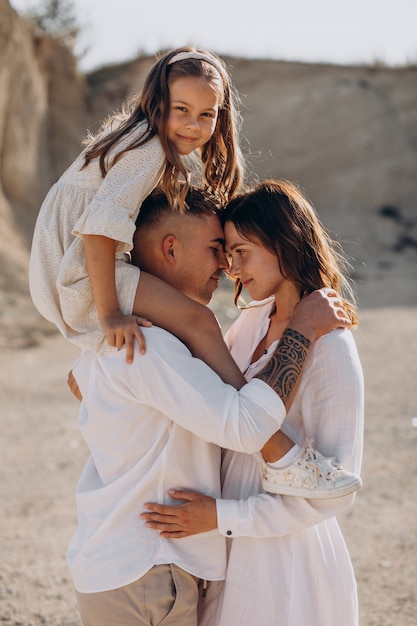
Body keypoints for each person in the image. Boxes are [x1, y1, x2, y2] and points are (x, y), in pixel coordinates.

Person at [67, 186, 352, 626]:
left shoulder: (332, 348)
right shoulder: (165, 340)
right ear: (170, 248)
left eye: (240, 251)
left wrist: (222, 515)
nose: (229, 266)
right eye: (222, 249)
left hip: (276, 557)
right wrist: (300, 330)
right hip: (193, 547)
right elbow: (243, 422)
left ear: (283, 245)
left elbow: (338, 487)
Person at [29, 45, 247, 388]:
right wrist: (111, 316)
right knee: (199, 321)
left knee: (169, 315)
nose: (194, 125)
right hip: (76, 274)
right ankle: (249, 414)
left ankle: (96, 381)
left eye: (207, 114)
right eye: (182, 109)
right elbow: (99, 231)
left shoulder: (132, 135)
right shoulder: (151, 150)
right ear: (158, 103)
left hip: (58, 269)